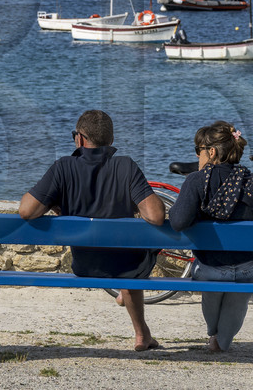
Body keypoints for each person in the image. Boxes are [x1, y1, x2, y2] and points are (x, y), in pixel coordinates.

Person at [19, 110, 166, 350]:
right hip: (127, 267)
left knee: (128, 262)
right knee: (136, 257)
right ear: (111, 140)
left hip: (85, 265)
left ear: (79, 139)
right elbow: (156, 216)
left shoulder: (63, 167)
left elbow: (26, 210)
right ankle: (141, 334)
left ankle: (132, 311)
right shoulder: (126, 166)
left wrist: (55, 202)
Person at [169, 121, 253, 353]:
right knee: (239, 290)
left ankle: (213, 335)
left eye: (198, 150)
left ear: (212, 152)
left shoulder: (197, 180)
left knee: (213, 281)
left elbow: (177, 222)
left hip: (211, 269)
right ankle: (221, 340)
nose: (197, 156)